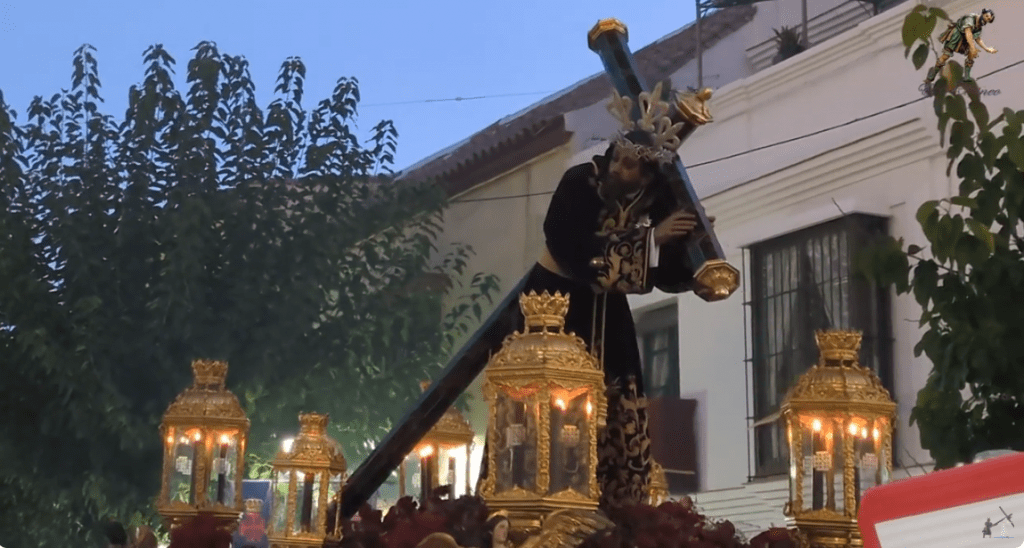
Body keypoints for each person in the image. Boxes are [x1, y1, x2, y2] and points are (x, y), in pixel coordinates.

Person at [475, 83, 715, 510]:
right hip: (554, 307)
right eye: (618, 160)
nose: (620, 171)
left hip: (609, 320)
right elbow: (569, 246)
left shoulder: (653, 200)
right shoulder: (578, 182)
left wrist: (690, 267)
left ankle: (617, 511)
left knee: (616, 412)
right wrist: (650, 239)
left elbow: (663, 272)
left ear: (647, 175)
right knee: (538, 412)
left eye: (632, 167)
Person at [926, 9, 996, 84]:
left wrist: (986, 48)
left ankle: (967, 76)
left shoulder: (979, 27)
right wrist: (972, 48)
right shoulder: (970, 18)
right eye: (986, 16)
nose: (986, 19)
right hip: (956, 35)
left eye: (988, 19)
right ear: (983, 13)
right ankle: (933, 74)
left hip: (965, 40)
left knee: (971, 54)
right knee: (946, 55)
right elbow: (968, 32)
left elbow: (977, 38)